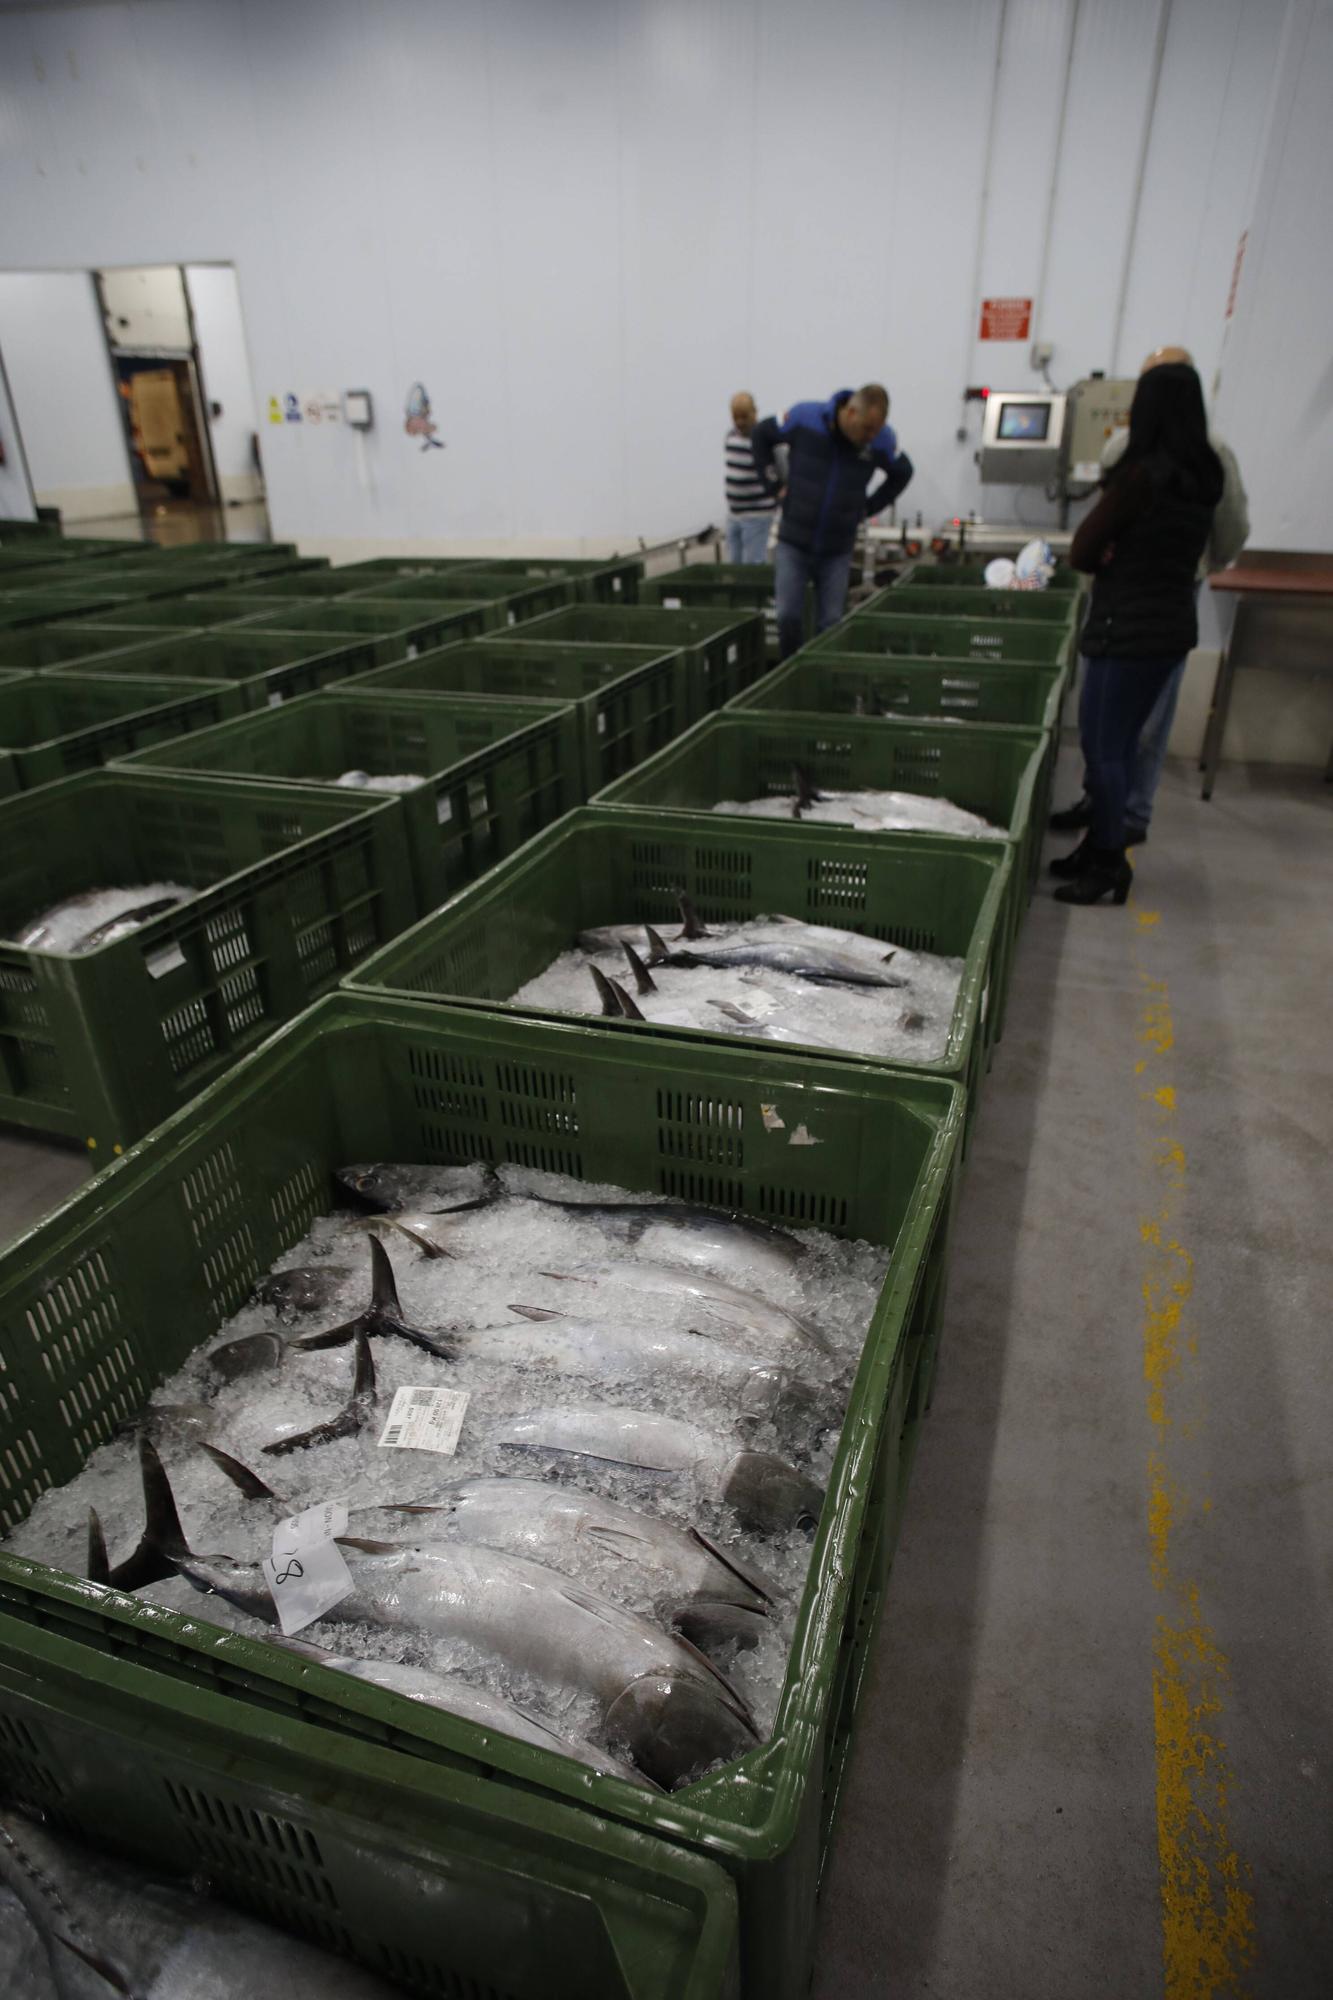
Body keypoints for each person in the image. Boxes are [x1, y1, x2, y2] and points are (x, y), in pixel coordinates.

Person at [1051, 345, 1248, 842]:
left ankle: (1106, 848)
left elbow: (1086, 547)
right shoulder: (1209, 465)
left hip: (1126, 619)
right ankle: (1120, 822)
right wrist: (1189, 565)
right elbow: (1231, 535)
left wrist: (1117, 558)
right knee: (1140, 730)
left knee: (1104, 742)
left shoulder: (1135, 464)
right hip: (1176, 610)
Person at [751, 386, 913, 657]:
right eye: (866, 429)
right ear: (850, 413)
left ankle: (822, 680)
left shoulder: (881, 441)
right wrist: (774, 486)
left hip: (837, 549)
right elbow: (761, 434)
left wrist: (869, 507)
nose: (870, 437)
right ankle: (790, 672)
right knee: (788, 615)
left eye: (876, 430)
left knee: (830, 623)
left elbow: (903, 472)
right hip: (794, 542)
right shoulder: (805, 418)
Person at [723, 393, 778, 564]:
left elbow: (775, 471)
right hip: (734, 514)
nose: (740, 422)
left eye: (744, 417)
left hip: (757, 513)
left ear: (754, 413)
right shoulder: (730, 436)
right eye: (735, 417)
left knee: (753, 562)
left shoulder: (764, 440)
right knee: (733, 562)